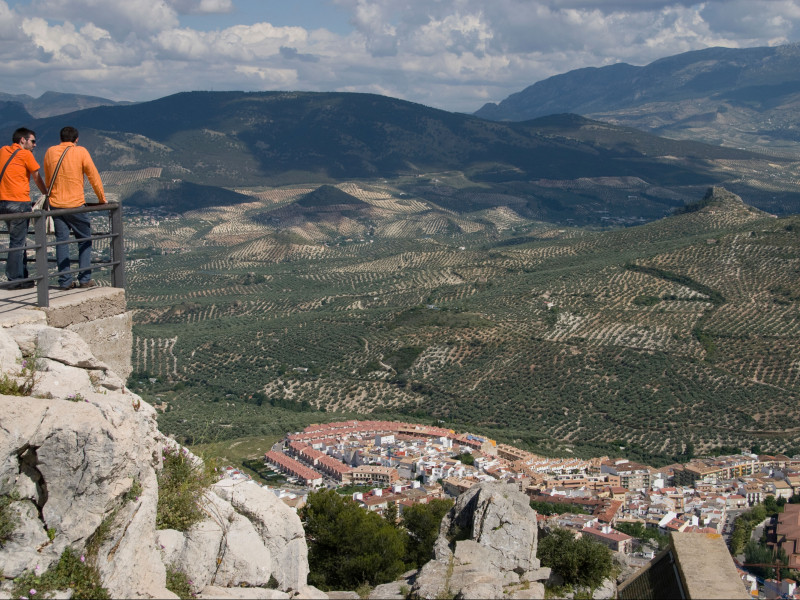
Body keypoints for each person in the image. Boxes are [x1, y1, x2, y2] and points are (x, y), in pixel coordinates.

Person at [44, 126, 106, 290]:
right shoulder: (80, 152)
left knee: (61, 242)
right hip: (75, 204)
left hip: (56, 204)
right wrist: (102, 199)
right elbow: (93, 175)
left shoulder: (50, 152)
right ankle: (84, 279)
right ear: (76, 139)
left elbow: (48, 177)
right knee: (85, 240)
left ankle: (65, 281)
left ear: (61, 137)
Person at [0, 127, 48, 289]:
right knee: (18, 242)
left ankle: (22, 276)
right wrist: (46, 193)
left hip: (2, 202)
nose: (35, 145)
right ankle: (14, 279)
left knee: (18, 241)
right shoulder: (25, 154)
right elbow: (36, 177)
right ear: (23, 140)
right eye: (32, 141)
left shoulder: (3, 151)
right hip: (19, 202)